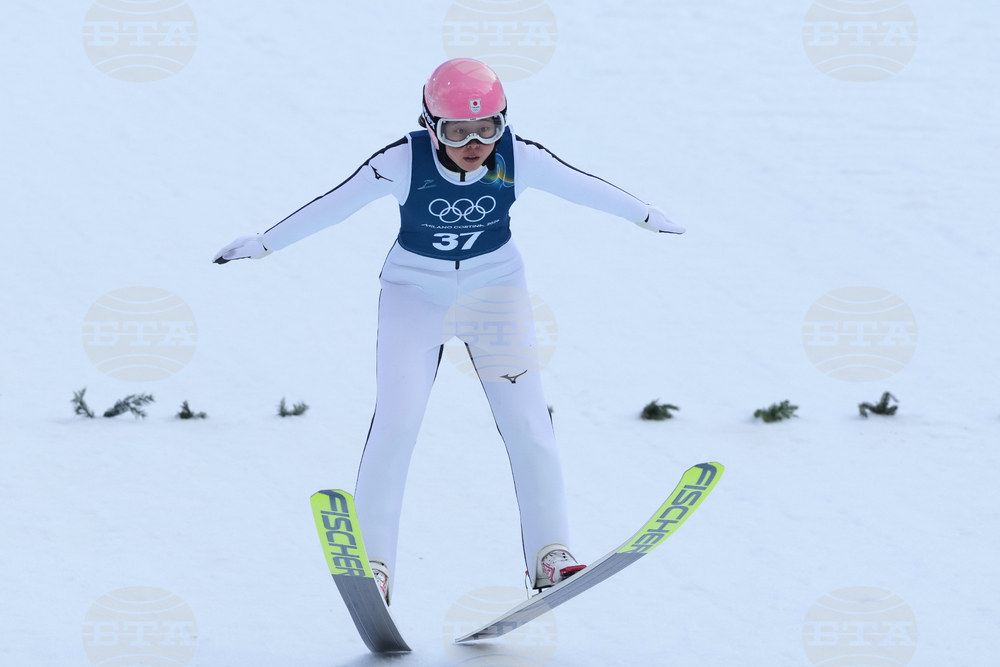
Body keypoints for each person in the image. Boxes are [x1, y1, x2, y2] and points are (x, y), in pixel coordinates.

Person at [213, 58, 684, 606]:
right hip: (414, 295)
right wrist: (265, 243)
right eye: (457, 132)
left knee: (530, 423)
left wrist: (644, 215)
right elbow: (332, 207)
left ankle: (551, 554)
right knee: (397, 423)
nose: (475, 144)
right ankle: (374, 565)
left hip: (495, 293)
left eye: (488, 128)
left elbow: (582, 187)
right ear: (430, 125)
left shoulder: (517, 158)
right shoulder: (400, 162)